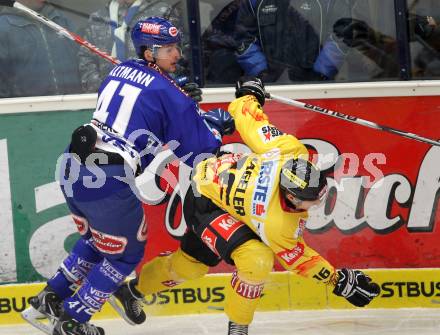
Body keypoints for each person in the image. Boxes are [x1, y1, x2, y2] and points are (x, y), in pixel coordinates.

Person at [110, 77, 381, 334]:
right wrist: (338, 282)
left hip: (227, 194)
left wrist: (249, 95)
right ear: (292, 197)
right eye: (311, 199)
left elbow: (252, 122)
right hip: (205, 200)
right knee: (256, 259)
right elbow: (299, 259)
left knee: (190, 266)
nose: (317, 202)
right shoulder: (279, 224)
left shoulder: (289, 151)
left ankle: (131, 292)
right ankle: (237, 328)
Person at [21, 16, 234, 335]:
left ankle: (48, 300)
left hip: (72, 162)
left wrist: (181, 100)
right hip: (106, 176)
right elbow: (198, 149)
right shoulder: (169, 93)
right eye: (169, 49)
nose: (177, 54)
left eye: (176, 47)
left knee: (99, 240)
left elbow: (146, 103)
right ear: (149, 53)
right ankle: (72, 320)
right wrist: (215, 126)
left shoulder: (117, 71)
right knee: (126, 253)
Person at [78, 0, 194, 94]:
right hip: (108, 99)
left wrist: (163, 88)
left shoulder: (162, 11)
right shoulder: (98, 17)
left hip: (151, 96)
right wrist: (103, 88)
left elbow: (179, 54)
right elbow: (86, 56)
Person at [233, 0, 357, 83]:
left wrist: (321, 73)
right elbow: (243, 37)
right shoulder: (254, 2)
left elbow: (341, 35)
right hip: (269, 86)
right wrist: (260, 71)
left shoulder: (331, 2)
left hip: (316, 86)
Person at [0, 0, 82, 97]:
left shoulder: (62, 20)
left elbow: (83, 63)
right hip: (29, 108)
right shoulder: (4, 28)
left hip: (74, 105)